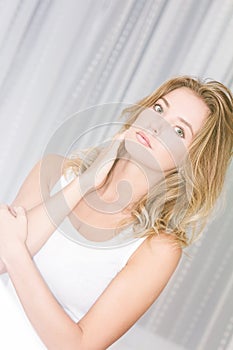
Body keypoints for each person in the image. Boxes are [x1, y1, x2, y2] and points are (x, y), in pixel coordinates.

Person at [0, 75, 232, 349]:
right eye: (159, 109)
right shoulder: (54, 172)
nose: (157, 126)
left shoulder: (157, 248)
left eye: (179, 131)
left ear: (192, 161)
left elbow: (80, 346)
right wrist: (84, 184)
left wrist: (15, 252)